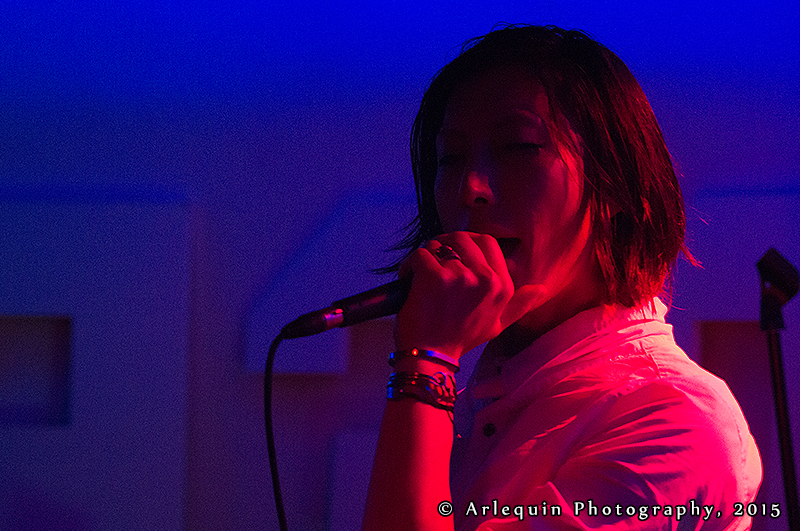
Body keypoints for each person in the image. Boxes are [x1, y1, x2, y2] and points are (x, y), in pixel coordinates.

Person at [362, 25, 762, 530]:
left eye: (518, 147)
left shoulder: (674, 420)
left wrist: (426, 366)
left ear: (617, 188)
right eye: (451, 158)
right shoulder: (492, 392)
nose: (471, 187)